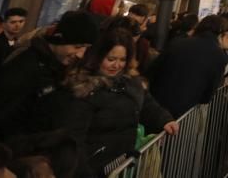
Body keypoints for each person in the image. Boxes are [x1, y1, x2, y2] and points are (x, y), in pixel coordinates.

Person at [0, 10, 99, 176]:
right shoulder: (25, 68)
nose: (80, 54)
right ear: (61, 38)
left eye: (86, 48)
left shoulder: (56, 68)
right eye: (77, 46)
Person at [61, 29, 177, 175]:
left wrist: (164, 120)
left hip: (121, 163)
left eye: (122, 60)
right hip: (95, 167)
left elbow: (147, 103)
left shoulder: (130, 81)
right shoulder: (84, 89)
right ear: (98, 57)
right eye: (111, 59)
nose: (117, 65)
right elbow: (75, 139)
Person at [148, 15, 228, 118]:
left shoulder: (178, 42)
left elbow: (153, 70)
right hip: (184, 112)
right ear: (220, 34)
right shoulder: (219, 56)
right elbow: (207, 95)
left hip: (156, 104)